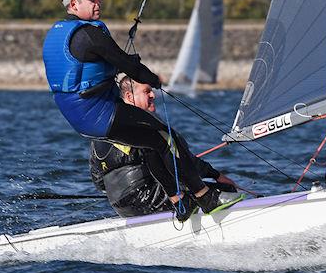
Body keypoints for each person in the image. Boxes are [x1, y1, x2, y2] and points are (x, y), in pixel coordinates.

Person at [43, 0, 222, 221]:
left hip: (81, 115)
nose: (98, 3)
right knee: (167, 138)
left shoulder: (61, 34)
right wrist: (153, 79)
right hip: (99, 112)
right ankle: (205, 197)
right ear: (73, 4)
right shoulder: (89, 35)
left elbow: (101, 66)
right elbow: (126, 64)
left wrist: (131, 66)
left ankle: (179, 202)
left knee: (152, 143)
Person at [90, 76, 239, 217]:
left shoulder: (100, 131)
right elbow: (183, 161)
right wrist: (217, 175)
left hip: (120, 207)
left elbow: (98, 182)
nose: (153, 95)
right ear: (129, 97)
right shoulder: (145, 122)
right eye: (146, 91)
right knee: (226, 191)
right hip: (150, 198)